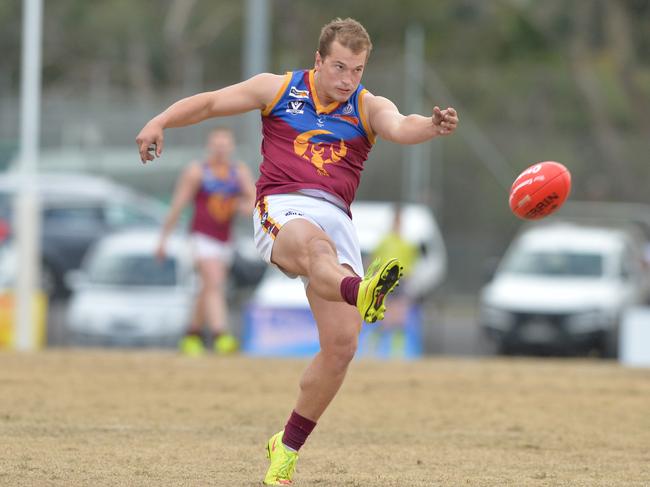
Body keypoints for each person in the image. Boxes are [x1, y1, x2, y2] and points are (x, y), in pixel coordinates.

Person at [136, 17, 458, 485]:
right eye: (340, 67)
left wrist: (430, 125)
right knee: (314, 249)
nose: (348, 79)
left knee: (342, 347)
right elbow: (209, 103)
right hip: (282, 206)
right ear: (318, 61)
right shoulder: (279, 88)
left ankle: (285, 447)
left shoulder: (367, 107)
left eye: (358, 70)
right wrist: (160, 119)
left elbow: (400, 124)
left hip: (337, 215)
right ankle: (359, 290)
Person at [156, 127, 256, 356]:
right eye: (217, 146)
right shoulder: (197, 171)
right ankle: (221, 335)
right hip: (201, 236)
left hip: (224, 239)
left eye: (225, 146)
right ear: (209, 147)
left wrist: (242, 206)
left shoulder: (238, 171)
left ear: (231, 148)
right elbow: (178, 204)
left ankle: (192, 334)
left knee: (207, 287)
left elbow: (254, 202)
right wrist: (163, 239)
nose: (221, 151)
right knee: (214, 282)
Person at [367, 204, 419, 358]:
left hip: (401, 282)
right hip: (385, 281)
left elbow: (410, 266)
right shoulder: (385, 241)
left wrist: (409, 281)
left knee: (401, 320)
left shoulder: (406, 244)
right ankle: (371, 349)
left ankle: (397, 353)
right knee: (385, 319)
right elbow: (374, 260)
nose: (398, 223)